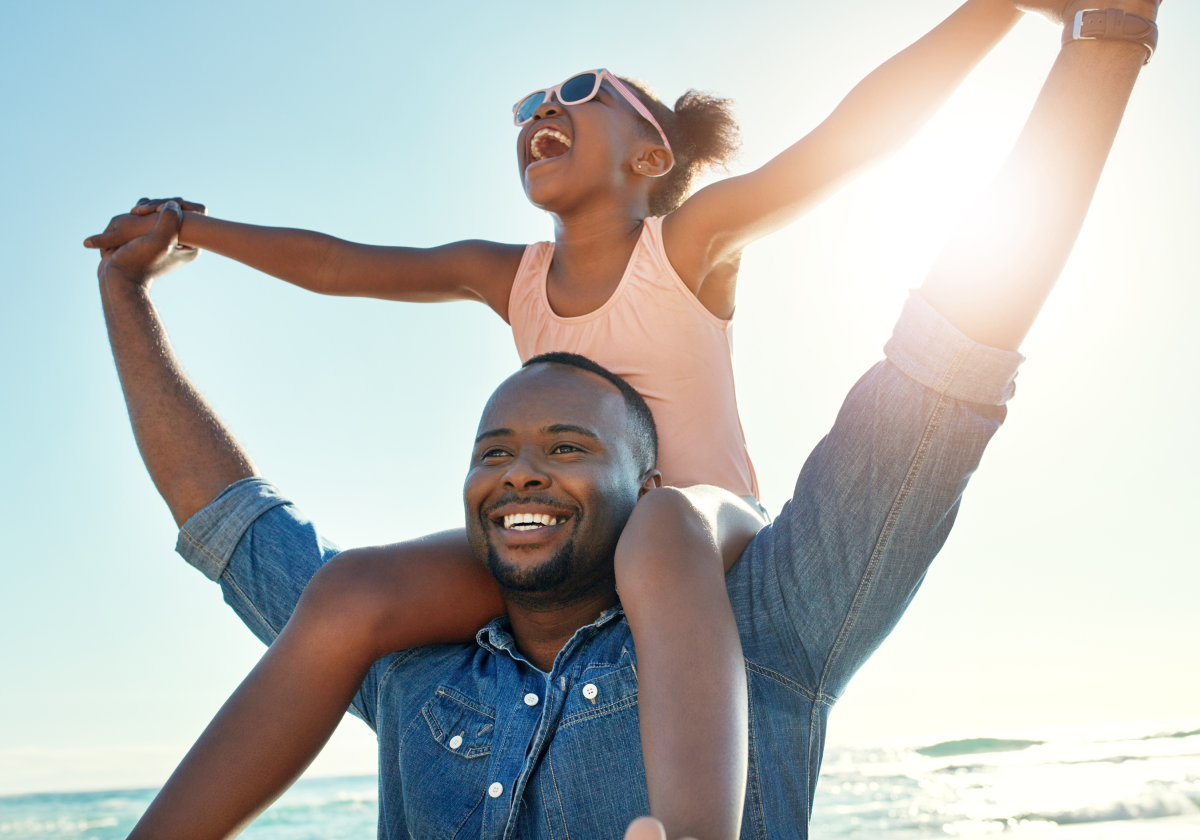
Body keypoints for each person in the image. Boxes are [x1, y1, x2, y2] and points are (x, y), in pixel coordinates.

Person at [94, 0, 1161, 837]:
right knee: (352, 589)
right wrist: (193, 228)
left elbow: (845, 144)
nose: (539, 115)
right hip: (574, 541)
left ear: (651, 156)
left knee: (654, 526)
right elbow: (339, 265)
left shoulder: (687, 244)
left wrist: (992, 10)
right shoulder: (503, 274)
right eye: (527, 111)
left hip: (703, 530)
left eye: (578, 95)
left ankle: (693, 832)